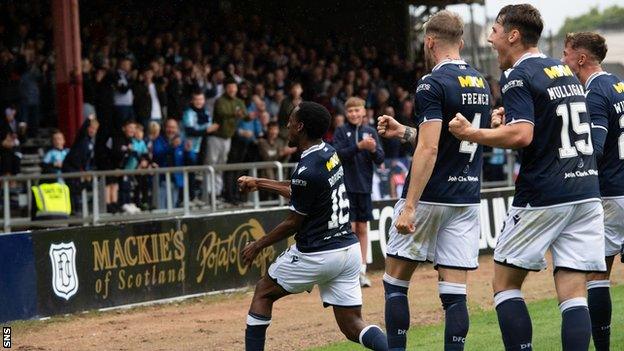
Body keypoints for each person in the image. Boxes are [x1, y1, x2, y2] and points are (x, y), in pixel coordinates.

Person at [449, 5, 605, 350]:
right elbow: (549, 122)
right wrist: (511, 122)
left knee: (504, 284)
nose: (490, 38)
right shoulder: (561, 69)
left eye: (494, 30)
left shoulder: (518, 74)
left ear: (513, 35)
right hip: (585, 190)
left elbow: (521, 136)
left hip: (545, 193)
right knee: (573, 292)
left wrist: (470, 133)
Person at [376, 10, 490, 350]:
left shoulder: (431, 83)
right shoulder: (481, 81)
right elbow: (457, 139)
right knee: (455, 295)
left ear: (429, 42)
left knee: (395, 283)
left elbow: (430, 147)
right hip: (466, 197)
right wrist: (404, 132)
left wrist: (409, 207)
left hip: (430, 195)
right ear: (463, 42)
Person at [238, 101, 388, 351]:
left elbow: (292, 222)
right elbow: (301, 187)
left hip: (317, 253)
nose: (287, 125)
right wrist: (259, 182)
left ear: (300, 126)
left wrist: (257, 245)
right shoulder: (328, 152)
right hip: (348, 251)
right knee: (353, 325)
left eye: (290, 121)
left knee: (264, 292)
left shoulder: (308, 169)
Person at [562, 31, 624, 351]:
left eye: (566, 54)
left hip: (612, 194)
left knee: (597, 276)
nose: (563, 60)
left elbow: (595, 148)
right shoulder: (618, 84)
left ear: (581, 59)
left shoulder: (595, 92)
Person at [333, 97, 384, 287]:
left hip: (364, 188)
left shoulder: (370, 132)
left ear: (364, 112)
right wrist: (358, 147)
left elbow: (380, 158)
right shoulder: (340, 131)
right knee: (349, 229)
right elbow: (336, 155)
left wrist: (371, 150)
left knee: (362, 228)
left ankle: (362, 271)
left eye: (357, 110)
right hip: (345, 188)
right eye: (351, 111)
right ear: (346, 114)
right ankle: (348, 272)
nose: (354, 114)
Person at [209, 78, 247, 199]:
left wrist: (245, 115)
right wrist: (236, 113)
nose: (232, 89)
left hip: (227, 138)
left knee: (221, 166)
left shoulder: (238, 101)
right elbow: (222, 112)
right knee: (211, 165)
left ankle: (218, 193)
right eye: (230, 87)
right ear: (226, 88)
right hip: (215, 137)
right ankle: (209, 194)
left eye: (234, 87)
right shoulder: (220, 100)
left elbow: (244, 114)